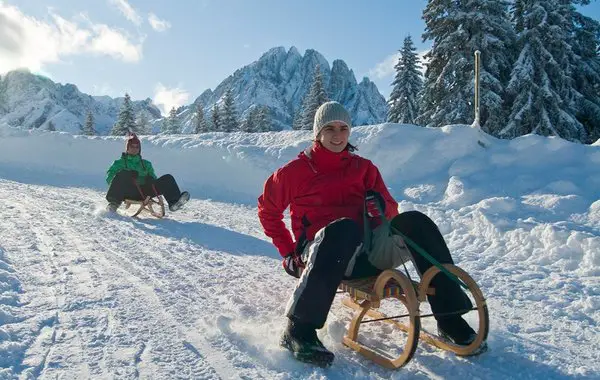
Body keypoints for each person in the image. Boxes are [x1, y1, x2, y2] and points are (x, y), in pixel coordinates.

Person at [257, 101, 484, 367]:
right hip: (322, 252)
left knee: (415, 222)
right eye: (329, 128)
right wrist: (289, 253)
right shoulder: (294, 172)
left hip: (367, 251)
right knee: (343, 228)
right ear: (317, 132)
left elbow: (391, 211)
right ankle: (298, 331)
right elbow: (267, 212)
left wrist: (380, 208)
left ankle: (450, 317)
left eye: (343, 128)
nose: (337, 135)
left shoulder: (363, 168)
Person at [105, 133, 190, 213]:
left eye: (137, 147)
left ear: (139, 149)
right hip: (128, 192)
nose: (134, 149)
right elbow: (110, 178)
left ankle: (174, 203)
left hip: (145, 192)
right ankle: (113, 204)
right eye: (132, 146)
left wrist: (150, 179)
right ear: (127, 148)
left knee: (168, 178)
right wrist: (126, 175)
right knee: (123, 174)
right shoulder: (119, 163)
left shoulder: (146, 164)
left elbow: (154, 178)